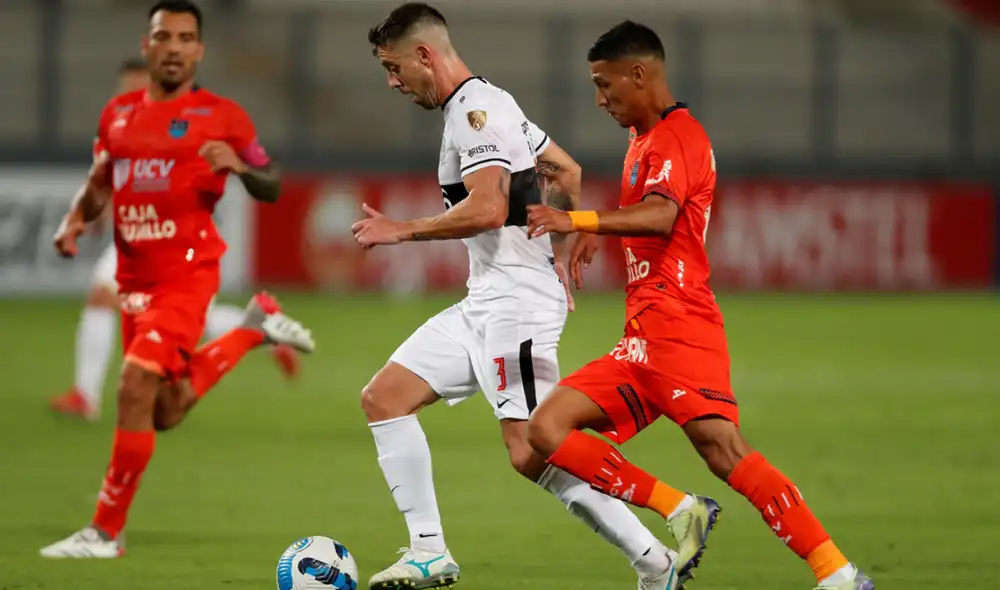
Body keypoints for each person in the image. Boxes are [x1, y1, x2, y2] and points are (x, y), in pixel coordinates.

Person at [524, 20, 875, 590]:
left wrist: (579, 219)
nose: (599, 98)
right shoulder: (642, 139)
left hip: (681, 328)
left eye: (604, 83)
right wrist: (602, 231)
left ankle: (836, 573)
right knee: (546, 429)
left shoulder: (679, 136)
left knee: (725, 451)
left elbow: (663, 216)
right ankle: (679, 507)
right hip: (640, 338)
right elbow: (652, 215)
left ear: (639, 74)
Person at [354, 4, 685, 589]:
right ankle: (428, 549)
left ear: (424, 55)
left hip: (516, 306)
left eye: (393, 66)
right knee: (384, 398)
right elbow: (567, 169)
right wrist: (573, 239)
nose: (392, 82)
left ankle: (654, 558)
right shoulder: (487, 106)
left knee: (532, 449)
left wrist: (401, 230)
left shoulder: (476, 114)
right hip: (487, 298)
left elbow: (485, 209)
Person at [39, 0, 315, 559]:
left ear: (199, 50)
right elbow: (99, 183)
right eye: (164, 36)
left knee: (133, 385)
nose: (174, 47)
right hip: (132, 279)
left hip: (187, 274)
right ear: (148, 44)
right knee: (162, 410)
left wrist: (240, 167)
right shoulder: (118, 114)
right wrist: (75, 219)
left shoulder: (223, 117)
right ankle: (251, 329)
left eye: (186, 37)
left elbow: (271, 180)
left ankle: (104, 532)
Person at [49, 57, 300, 423]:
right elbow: (110, 181)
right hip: (136, 239)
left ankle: (86, 396)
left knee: (124, 304)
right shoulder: (118, 126)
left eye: (137, 82)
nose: (129, 91)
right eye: (125, 84)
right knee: (123, 302)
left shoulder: (178, 125)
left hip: (174, 241)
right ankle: (260, 328)